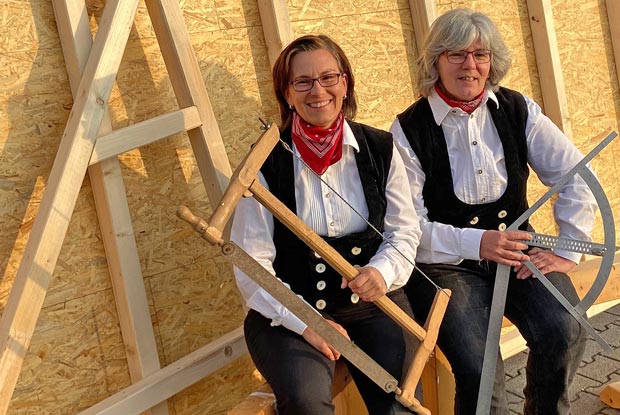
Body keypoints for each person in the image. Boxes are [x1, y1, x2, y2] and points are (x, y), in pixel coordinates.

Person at [390, 8, 596, 415]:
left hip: (517, 252)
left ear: (491, 61)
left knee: (566, 328)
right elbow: (408, 227)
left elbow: (576, 176)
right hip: (446, 264)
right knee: (480, 370)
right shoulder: (408, 130)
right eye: (456, 54)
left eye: (480, 54)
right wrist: (478, 242)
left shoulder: (518, 110)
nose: (470, 65)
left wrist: (567, 249)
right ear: (435, 61)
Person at [231, 34, 422, 415]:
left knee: (397, 403)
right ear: (286, 93)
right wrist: (306, 321)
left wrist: (381, 272)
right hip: (289, 314)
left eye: (328, 78)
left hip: (373, 306)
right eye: (302, 82)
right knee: (307, 404)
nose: (318, 91)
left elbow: (404, 231)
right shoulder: (265, 161)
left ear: (345, 83)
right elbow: (251, 263)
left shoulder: (381, 148)